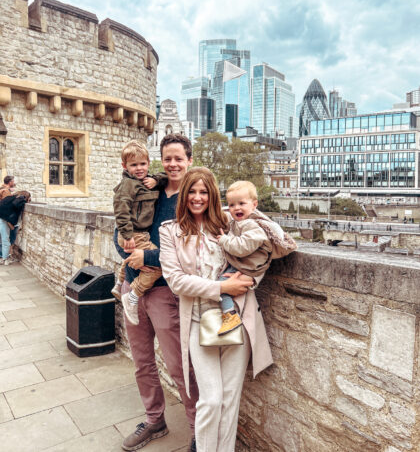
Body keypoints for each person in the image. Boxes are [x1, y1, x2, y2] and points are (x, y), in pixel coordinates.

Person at [159, 167, 273, 452]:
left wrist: (250, 280)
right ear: (184, 194)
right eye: (192, 192)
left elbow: (263, 248)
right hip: (199, 320)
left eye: (204, 192)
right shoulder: (169, 231)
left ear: (212, 195)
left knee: (230, 398)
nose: (198, 198)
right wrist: (222, 288)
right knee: (210, 398)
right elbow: (176, 281)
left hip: (236, 316)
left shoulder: (229, 223)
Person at [113, 134, 199, 452]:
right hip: (132, 285)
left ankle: (197, 428)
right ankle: (154, 419)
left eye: (179, 158)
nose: (173, 163)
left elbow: (191, 251)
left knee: (178, 366)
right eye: (168, 158)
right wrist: (124, 249)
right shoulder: (146, 187)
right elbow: (120, 228)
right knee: (142, 362)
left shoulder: (193, 197)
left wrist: (146, 257)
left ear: (189, 160)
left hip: (165, 291)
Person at [216, 180, 296, 336]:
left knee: (220, 287)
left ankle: (230, 315)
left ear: (254, 205)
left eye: (241, 203)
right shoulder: (241, 223)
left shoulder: (253, 226)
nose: (236, 208)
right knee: (220, 284)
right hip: (242, 266)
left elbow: (241, 247)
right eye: (232, 205)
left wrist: (224, 240)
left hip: (246, 267)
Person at [113, 140, 167, 325]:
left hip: (139, 233)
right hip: (133, 234)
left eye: (142, 164)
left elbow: (166, 177)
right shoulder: (128, 185)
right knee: (158, 266)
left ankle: (119, 284)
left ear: (148, 163)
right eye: (134, 165)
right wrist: (127, 235)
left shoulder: (145, 181)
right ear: (124, 166)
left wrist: (156, 180)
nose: (139, 168)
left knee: (133, 259)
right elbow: (121, 210)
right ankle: (133, 295)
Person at [0, 191, 31, 265]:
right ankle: (5, 259)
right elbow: (15, 214)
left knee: (4, 239)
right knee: (6, 240)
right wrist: (11, 223)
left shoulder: (8, 198)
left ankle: (4, 258)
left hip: (2, 218)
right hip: (6, 220)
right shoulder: (20, 201)